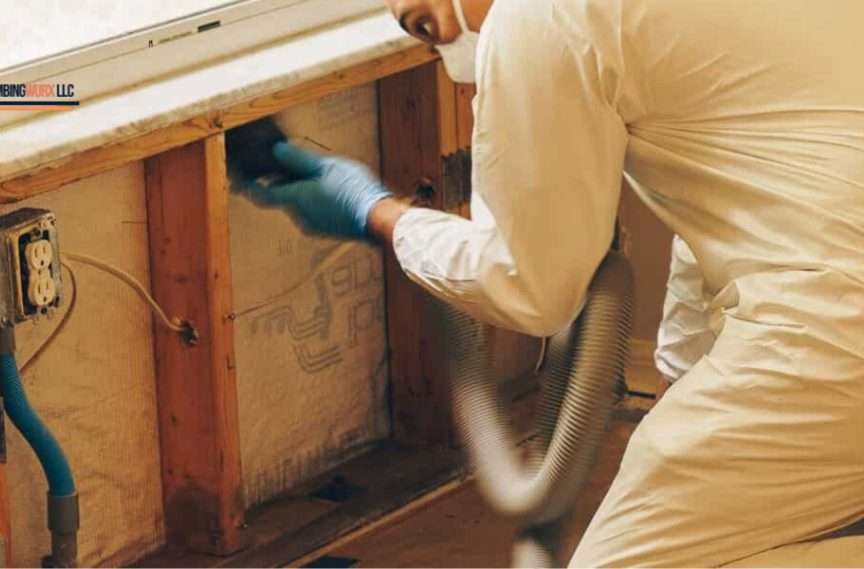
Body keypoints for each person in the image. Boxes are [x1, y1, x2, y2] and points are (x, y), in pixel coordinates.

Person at [245, 0, 864, 565]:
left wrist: (372, 211)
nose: (445, 51)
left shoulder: (541, 18)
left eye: (426, 25)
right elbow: (732, 193)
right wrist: (682, 387)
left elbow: (532, 285)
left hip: (833, 335)